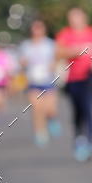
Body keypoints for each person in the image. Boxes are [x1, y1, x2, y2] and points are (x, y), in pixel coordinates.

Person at [55, 8, 92, 162]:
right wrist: (74, 51)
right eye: (71, 17)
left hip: (89, 78)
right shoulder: (65, 34)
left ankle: (90, 142)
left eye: (76, 17)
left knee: (89, 108)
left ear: (84, 17)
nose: (74, 20)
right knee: (77, 110)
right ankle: (79, 140)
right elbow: (58, 53)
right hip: (72, 79)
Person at [18, 19, 61, 147]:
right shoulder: (26, 45)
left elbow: (57, 57)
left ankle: (52, 119)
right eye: (35, 28)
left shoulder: (50, 44)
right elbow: (21, 61)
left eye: (39, 28)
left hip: (48, 81)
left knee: (50, 109)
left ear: (44, 29)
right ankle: (40, 133)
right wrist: (23, 63)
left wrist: (53, 64)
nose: (37, 30)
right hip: (33, 82)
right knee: (37, 109)